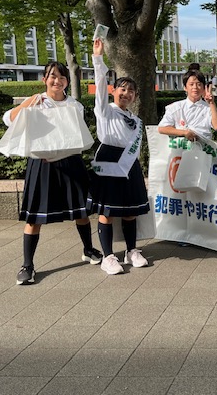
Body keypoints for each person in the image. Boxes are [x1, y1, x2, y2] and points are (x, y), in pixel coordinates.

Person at [5, 62, 101, 285]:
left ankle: (88, 249)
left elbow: (76, 135)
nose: (57, 81)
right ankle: (27, 265)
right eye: (52, 76)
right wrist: (28, 102)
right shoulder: (36, 101)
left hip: (71, 162)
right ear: (44, 80)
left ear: (67, 81)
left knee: (81, 211)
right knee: (34, 216)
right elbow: (8, 119)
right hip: (42, 164)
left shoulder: (74, 105)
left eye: (62, 77)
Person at [89, 38, 151, 275]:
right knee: (107, 211)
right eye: (122, 89)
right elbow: (99, 86)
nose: (126, 93)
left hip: (129, 163)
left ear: (135, 96)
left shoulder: (135, 120)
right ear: (113, 91)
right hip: (109, 159)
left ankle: (131, 250)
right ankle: (107, 256)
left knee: (130, 210)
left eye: (131, 91)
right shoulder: (105, 111)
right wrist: (98, 59)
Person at [158, 69, 217, 142]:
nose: (195, 87)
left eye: (199, 84)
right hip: (181, 147)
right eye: (191, 84)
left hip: (203, 147)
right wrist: (184, 132)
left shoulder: (208, 108)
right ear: (185, 87)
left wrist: (211, 103)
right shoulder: (175, 107)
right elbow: (162, 128)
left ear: (203, 88)